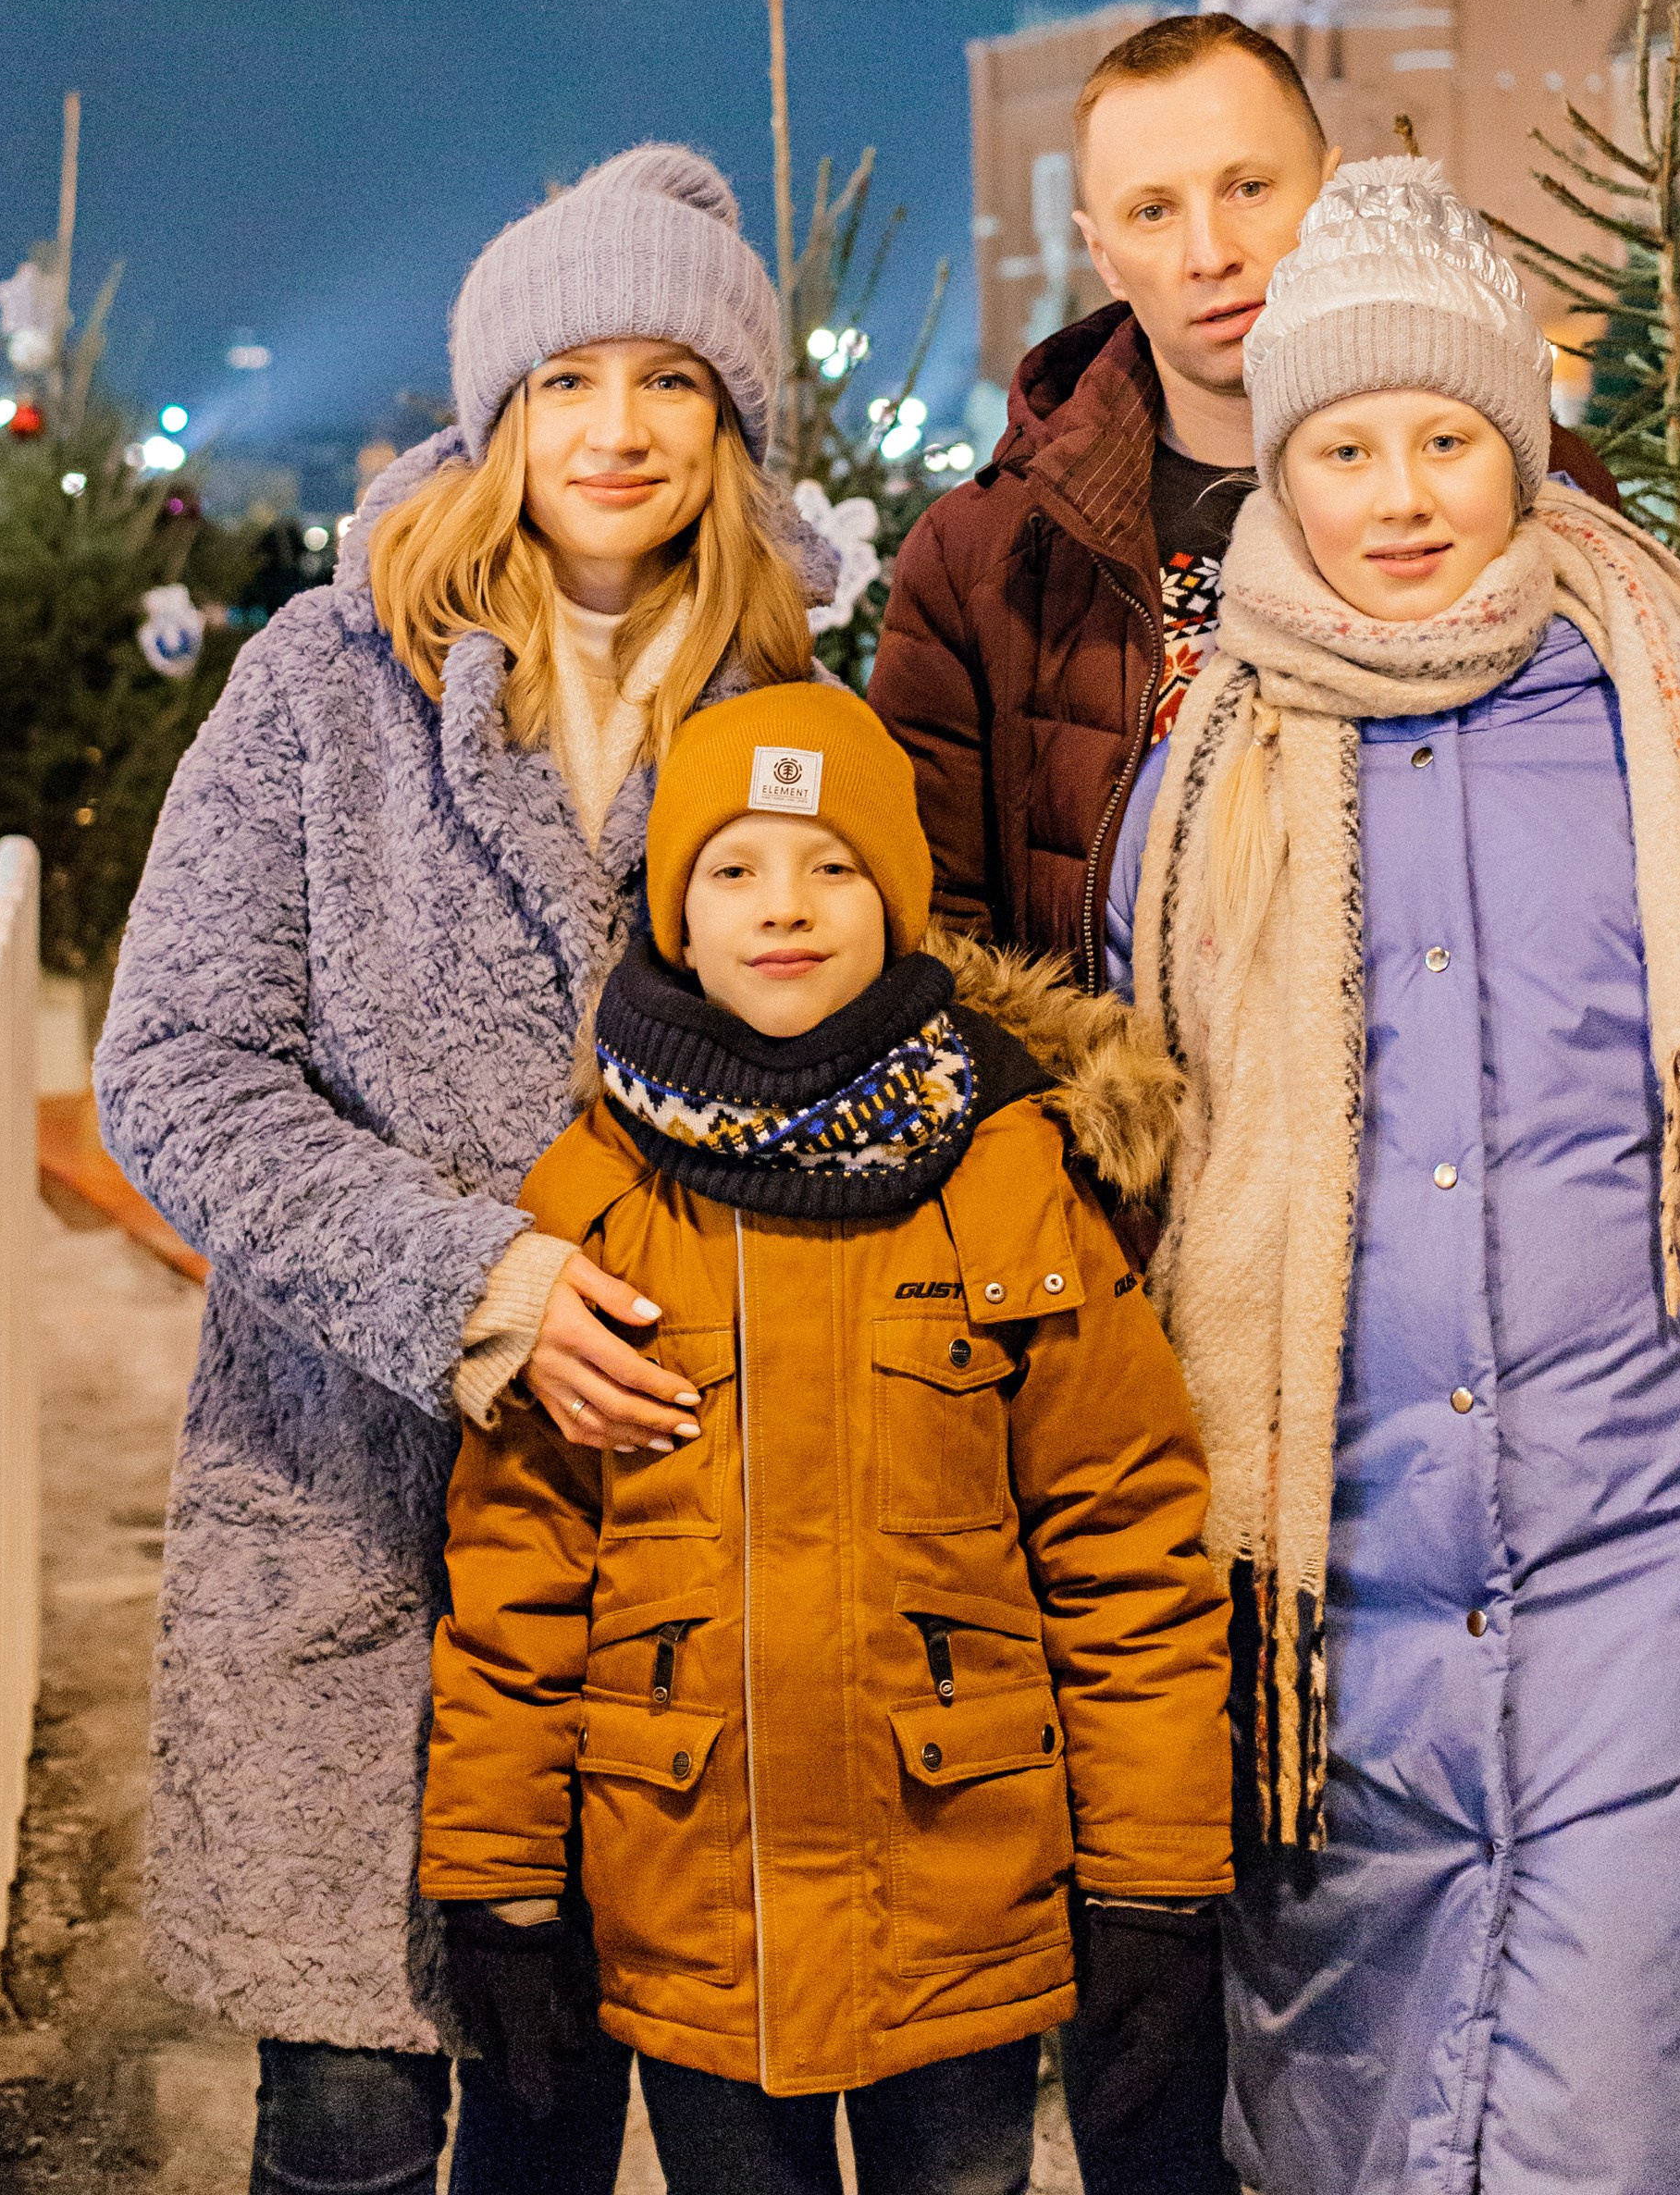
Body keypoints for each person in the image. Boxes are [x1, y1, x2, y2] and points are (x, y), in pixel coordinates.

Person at [1127, 159, 1680, 2195]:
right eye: (1346, 448)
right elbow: (1156, 1203)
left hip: (1670, 1572)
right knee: (1363, 2129)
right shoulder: (1202, 781)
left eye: (1449, 439)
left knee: (1647, 2103)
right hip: (1341, 1617)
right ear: (1280, 471)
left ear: (1520, 447)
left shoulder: (1679, 736)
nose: (1401, 496)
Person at [95, 144, 846, 2195]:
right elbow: (175, 1069)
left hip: (658, 1526)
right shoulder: (321, 687)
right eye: (569, 380)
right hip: (348, 1511)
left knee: (561, 2106)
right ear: (497, 412)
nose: (619, 429)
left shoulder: (786, 709)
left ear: (733, 425)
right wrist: (475, 1285)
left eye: (672, 382)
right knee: (349, 2116)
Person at [418, 683, 1232, 2195]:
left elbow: (1124, 1548)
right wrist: (501, 1882)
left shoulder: (1010, 1178)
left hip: (961, 1894)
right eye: (733, 868)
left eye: (831, 866)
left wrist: (1156, 1888)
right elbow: (518, 1568)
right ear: (677, 914)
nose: (783, 906)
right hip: (693, 1906)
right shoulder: (595, 1202)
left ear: (897, 899)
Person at [872, 7, 1680, 1135]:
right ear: (1100, 250)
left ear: (1328, 187)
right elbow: (930, 941)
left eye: (1248, 188)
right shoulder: (991, 557)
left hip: (1497, 1161)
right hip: (1143, 1195)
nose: (1209, 252)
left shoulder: (1516, 478)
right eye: (1153, 211)